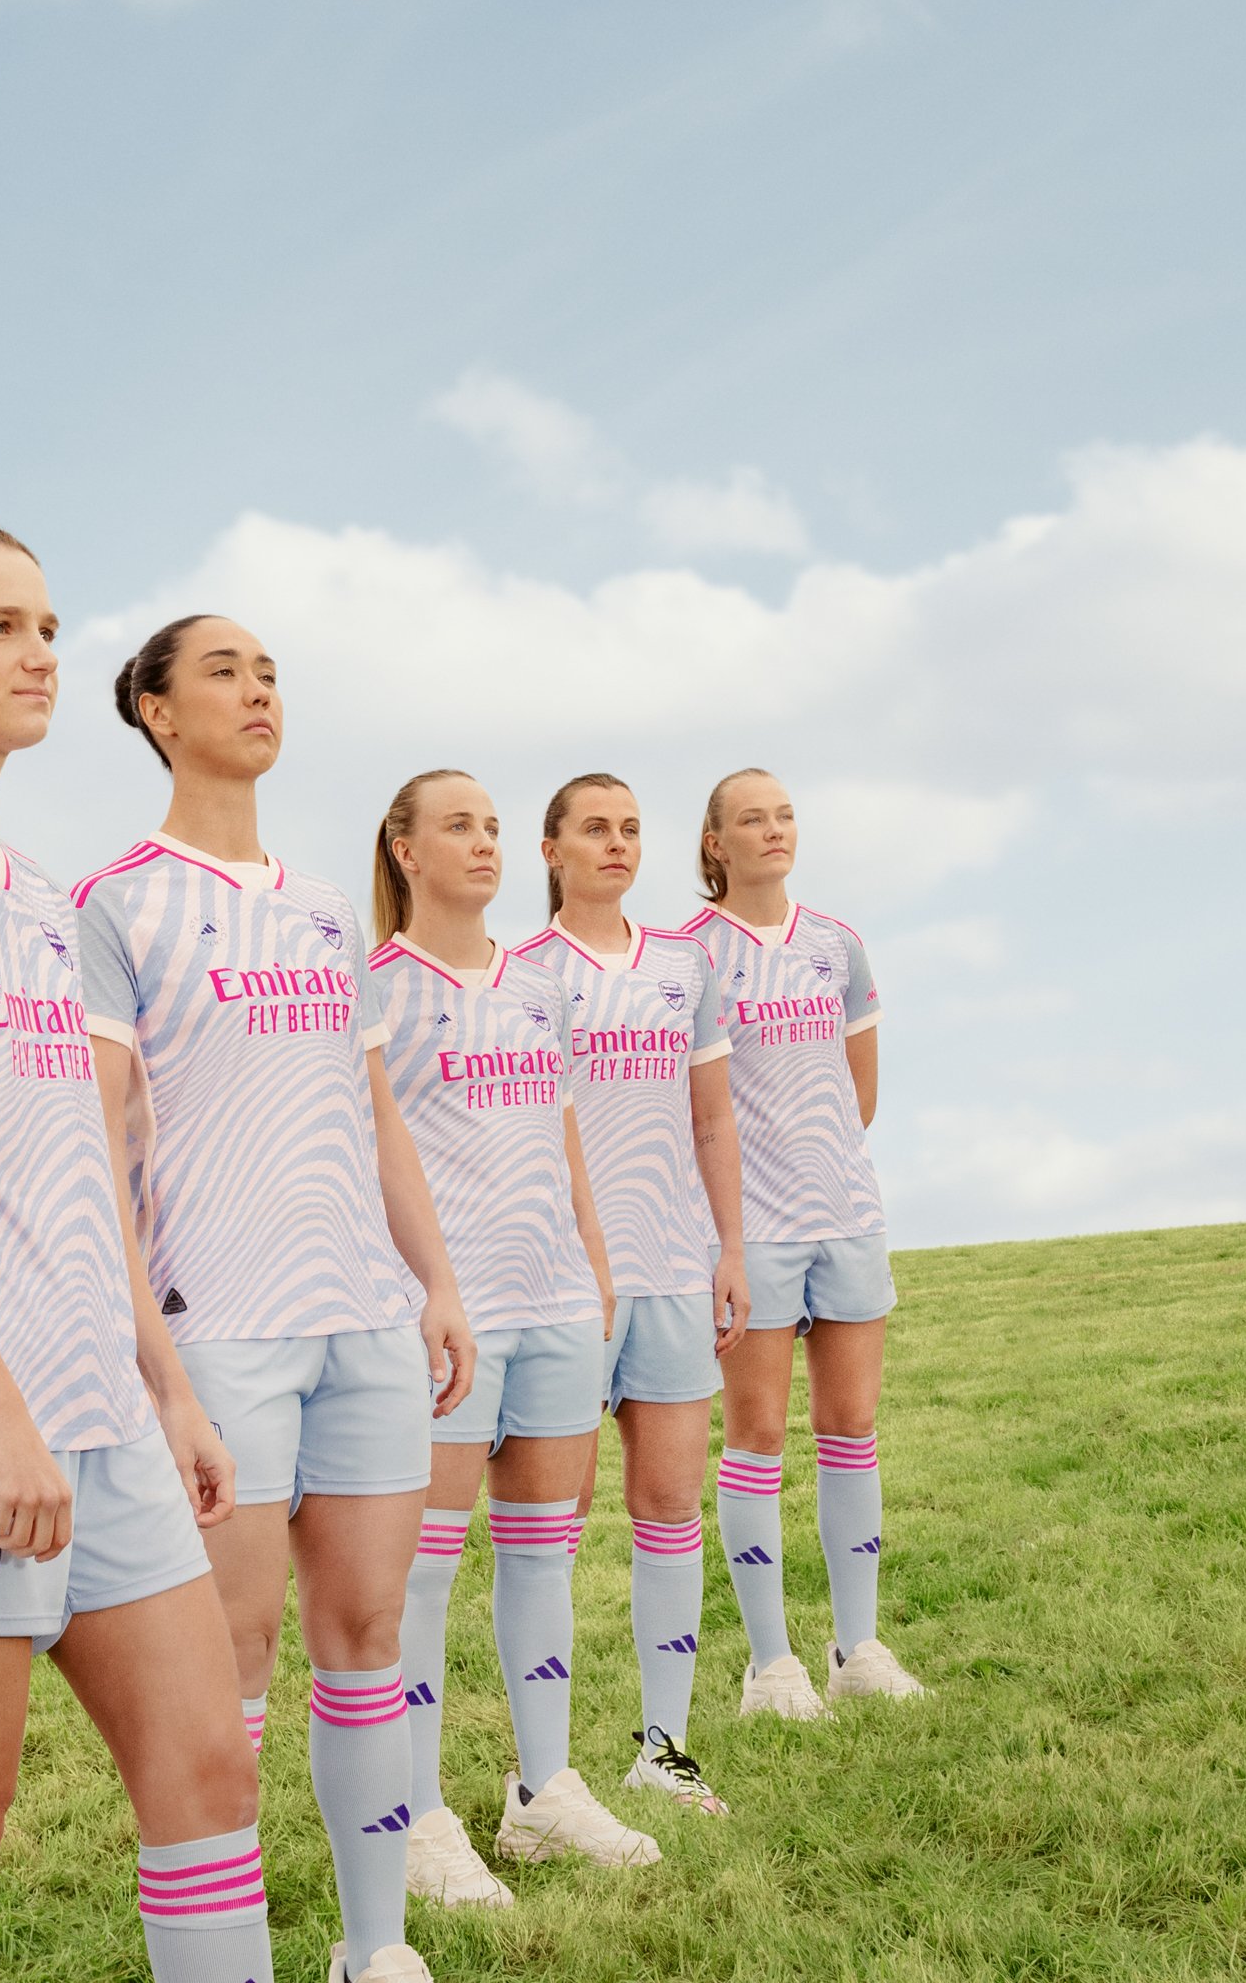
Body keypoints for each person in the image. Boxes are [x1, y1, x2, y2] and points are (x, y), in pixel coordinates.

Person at [0, 524, 269, 1983]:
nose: (39, 657)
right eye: (0, 628)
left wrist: (169, 1389)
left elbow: (89, 1170)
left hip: (105, 1413)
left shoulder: (39, 895)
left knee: (208, 1776)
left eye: (49, 629)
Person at [79, 616, 480, 1983]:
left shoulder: (320, 909)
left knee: (368, 1636)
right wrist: (158, 1367)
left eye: (269, 674)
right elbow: (100, 1142)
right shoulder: (116, 904)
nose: (257, 691)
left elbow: (376, 1112)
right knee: (232, 1662)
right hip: (222, 1333)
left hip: (363, 1322)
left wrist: (433, 1281)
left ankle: (378, 1951)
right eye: (223, 673)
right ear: (155, 712)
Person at [360, 771, 664, 1909]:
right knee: (422, 1575)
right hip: (446, 1320)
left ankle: (542, 1792)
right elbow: (364, 1156)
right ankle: (417, 1817)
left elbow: (564, 1132)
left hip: (556, 1304)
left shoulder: (540, 988)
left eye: (492, 826)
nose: (484, 843)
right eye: (459, 827)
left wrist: (596, 1266)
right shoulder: (379, 987)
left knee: (544, 1553)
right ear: (405, 850)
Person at [512, 773, 754, 1808]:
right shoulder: (521, 972)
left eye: (631, 830)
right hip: (563, 1284)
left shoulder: (683, 966)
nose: (617, 844)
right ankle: (546, 1773)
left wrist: (730, 1249)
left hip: (673, 1272)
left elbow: (712, 1119)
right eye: (594, 829)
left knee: (668, 1508)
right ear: (551, 850)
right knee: (550, 1526)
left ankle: (664, 1749)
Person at [676, 769, 922, 1714]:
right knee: (759, 1436)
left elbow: (861, 1093)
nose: (774, 830)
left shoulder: (836, 945)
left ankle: (858, 1649)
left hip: (847, 1217)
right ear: (716, 843)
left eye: (784, 815)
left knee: (851, 1427)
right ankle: (771, 1665)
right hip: (748, 1235)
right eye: (752, 819)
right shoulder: (691, 957)